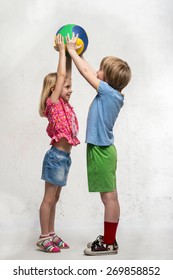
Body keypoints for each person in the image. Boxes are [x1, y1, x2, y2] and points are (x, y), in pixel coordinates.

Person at [66, 33, 131, 256]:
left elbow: (86, 73)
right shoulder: (113, 93)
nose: (97, 71)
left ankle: (109, 243)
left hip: (102, 152)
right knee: (110, 196)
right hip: (103, 150)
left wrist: (73, 52)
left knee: (109, 197)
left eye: (102, 70)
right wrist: (81, 54)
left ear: (108, 80)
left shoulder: (106, 92)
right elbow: (93, 71)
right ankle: (109, 239)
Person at [37, 34, 80, 253]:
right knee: (48, 198)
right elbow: (62, 74)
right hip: (55, 157)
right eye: (66, 87)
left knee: (56, 198)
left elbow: (66, 73)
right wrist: (62, 50)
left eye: (70, 86)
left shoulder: (64, 103)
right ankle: (44, 237)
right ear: (55, 88)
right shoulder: (53, 103)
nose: (70, 89)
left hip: (65, 158)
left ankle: (51, 234)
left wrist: (72, 52)